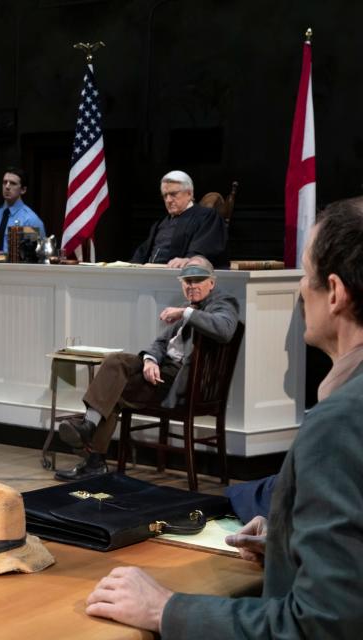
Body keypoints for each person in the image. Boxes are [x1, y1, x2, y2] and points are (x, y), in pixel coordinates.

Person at [85, 197, 363, 638]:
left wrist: (166, 609)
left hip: (185, 392)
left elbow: (319, 627)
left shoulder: (342, 422)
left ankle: (88, 430)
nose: (298, 290)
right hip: (164, 378)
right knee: (120, 363)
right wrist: (290, 538)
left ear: (335, 293)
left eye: (305, 275)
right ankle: (88, 430)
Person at [55, 255, 239, 481]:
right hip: (162, 370)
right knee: (115, 362)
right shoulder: (189, 307)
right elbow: (160, 343)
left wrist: (185, 313)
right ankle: (88, 432)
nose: (192, 286)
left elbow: (225, 329)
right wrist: (150, 360)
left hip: (179, 383)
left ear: (211, 282)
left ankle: (91, 446)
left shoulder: (223, 302)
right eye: (187, 282)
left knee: (112, 392)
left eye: (198, 280)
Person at [130, 170, 227, 268]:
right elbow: (142, 253)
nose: (168, 200)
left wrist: (190, 259)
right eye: (165, 195)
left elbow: (205, 248)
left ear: (189, 194)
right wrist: (131, 266)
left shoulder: (207, 216)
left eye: (173, 194)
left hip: (182, 276)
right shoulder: (161, 223)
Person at [0, 168, 45, 252]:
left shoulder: (30, 220)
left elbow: (36, 257)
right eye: (5, 182)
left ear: (23, 190)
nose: (7, 187)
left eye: (13, 183)